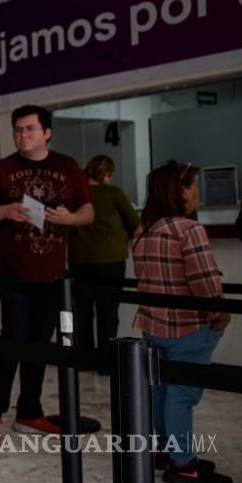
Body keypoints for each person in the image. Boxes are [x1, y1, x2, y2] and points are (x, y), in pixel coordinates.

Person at [0, 104, 94, 446]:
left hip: (54, 273)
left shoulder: (67, 166)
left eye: (29, 129)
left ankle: (29, 412)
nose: (22, 135)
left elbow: (88, 211)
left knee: (41, 344)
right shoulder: (1, 168)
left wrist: (68, 219)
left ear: (47, 132)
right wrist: (2, 211)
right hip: (12, 272)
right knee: (13, 340)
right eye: (17, 130)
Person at [132, 161, 232, 483]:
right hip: (190, 329)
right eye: (192, 186)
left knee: (160, 392)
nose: (197, 193)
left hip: (153, 325)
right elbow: (206, 287)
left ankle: (165, 450)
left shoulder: (143, 229)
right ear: (179, 191)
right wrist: (220, 316)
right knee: (181, 397)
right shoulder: (189, 230)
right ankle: (184, 465)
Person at [68, 154, 138, 364]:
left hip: (79, 259)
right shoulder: (114, 193)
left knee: (82, 310)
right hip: (110, 259)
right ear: (107, 174)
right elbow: (135, 224)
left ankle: (85, 358)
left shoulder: (75, 195)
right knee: (108, 311)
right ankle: (106, 361)